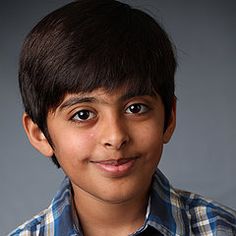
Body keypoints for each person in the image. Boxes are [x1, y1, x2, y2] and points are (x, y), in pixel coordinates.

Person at [9, 0, 236, 235]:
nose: (115, 137)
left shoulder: (224, 229)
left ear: (169, 118)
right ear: (40, 135)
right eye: (83, 114)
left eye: (136, 108)